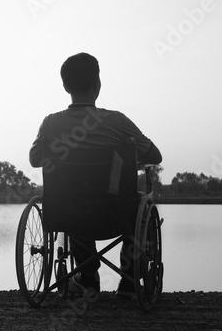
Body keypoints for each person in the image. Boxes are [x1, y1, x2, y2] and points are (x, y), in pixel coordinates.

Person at [29, 52, 162, 298]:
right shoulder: (118, 121)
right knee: (141, 201)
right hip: (116, 213)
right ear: (97, 85)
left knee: (75, 200)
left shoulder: (50, 124)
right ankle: (130, 279)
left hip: (67, 213)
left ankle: (87, 276)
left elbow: (35, 159)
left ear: (65, 86)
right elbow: (155, 155)